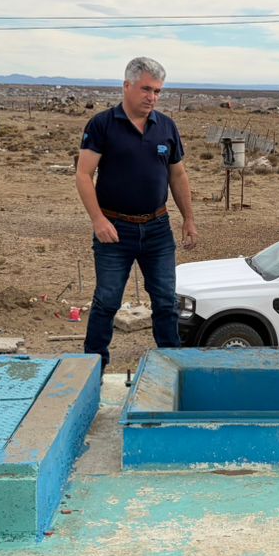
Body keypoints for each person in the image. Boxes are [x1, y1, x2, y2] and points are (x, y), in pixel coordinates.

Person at [76, 57, 198, 369]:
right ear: (127, 86)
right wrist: (98, 220)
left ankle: (172, 368)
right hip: (114, 229)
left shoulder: (166, 127)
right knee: (107, 301)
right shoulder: (102, 125)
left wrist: (188, 218)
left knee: (166, 302)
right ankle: (92, 370)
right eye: (146, 89)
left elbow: (178, 175)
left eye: (157, 91)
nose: (152, 97)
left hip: (157, 229)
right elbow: (83, 174)